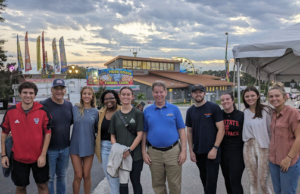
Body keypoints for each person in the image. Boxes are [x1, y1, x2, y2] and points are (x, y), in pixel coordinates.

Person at [1, 81, 52, 194]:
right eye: (25, 92)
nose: (28, 95)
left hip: (39, 157)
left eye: (31, 93)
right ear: (20, 94)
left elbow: (48, 133)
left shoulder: (42, 110)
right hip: (19, 158)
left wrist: (43, 155)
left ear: (35, 95)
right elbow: (4, 133)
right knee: (20, 187)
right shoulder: (11, 111)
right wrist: (4, 155)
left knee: (42, 185)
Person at [142, 80, 187, 194]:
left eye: (161, 92)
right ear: (152, 93)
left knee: (175, 184)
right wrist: (144, 152)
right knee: (158, 184)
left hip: (173, 152)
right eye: (156, 92)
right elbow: (144, 133)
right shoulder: (147, 111)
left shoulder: (174, 109)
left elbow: (182, 131)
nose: (159, 95)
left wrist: (184, 151)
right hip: (154, 153)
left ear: (166, 92)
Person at [186, 84, 224, 194]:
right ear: (192, 94)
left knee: (211, 181)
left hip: (212, 150)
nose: (198, 94)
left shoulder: (213, 107)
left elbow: (221, 129)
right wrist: (191, 150)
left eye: (200, 92)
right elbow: (189, 131)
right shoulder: (190, 111)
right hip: (198, 151)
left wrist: (215, 148)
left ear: (204, 93)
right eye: (195, 92)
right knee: (204, 178)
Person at [40, 79, 73, 194]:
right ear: (51, 90)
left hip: (65, 148)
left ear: (65, 90)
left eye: (61, 89)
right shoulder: (43, 105)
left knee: (62, 176)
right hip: (49, 150)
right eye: (56, 89)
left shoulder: (69, 105)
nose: (59, 91)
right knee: (49, 178)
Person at [109, 86, 144, 194]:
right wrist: (118, 151)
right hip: (121, 156)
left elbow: (140, 135)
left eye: (128, 94)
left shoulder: (138, 114)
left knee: (136, 183)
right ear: (119, 96)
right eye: (123, 94)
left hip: (135, 155)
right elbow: (112, 135)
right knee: (123, 184)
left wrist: (129, 150)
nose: (126, 96)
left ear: (132, 97)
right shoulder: (115, 115)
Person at [268, 83, 300, 194]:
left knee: (287, 192)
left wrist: (288, 159)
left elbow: (299, 138)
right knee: (278, 191)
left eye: (277, 96)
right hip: (274, 161)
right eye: (271, 97)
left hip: (288, 161)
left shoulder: (292, 112)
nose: (274, 99)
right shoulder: (273, 113)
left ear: (284, 97)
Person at [242, 86, 272, 194]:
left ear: (258, 96)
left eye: (252, 95)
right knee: (252, 180)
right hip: (248, 146)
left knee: (263, 181)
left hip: (264, 146)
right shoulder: (244, 112)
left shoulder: (266, 110)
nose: (250, 98)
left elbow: (271, 130)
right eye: (247, 96)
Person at [70, 86, 99, 194]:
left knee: (86, 175)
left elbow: (98, 130)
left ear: (92, 96)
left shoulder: (96, 112)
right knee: (78, 175)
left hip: (89, 146)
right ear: (81, 96)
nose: (86, 96)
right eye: (84, 93)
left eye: (89, 94)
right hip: (75, 146)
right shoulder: (75, 108)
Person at [95, 90, 121, 194]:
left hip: (118, 148)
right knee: (110, 177)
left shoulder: (122, 111)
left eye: (111, 98)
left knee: (116, 178)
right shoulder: (101, 113)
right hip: (104, 148)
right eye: (106, 99)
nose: (109, 101)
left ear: (116, 99)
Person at [220, 93, 244, 194]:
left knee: (235, 180)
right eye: (222, 100)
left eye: (227, 99)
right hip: (223, 152)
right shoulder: (219, 115)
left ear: (233, 100)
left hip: (237, 152)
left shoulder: (241, 115)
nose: (225, 101)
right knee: (227, 180)